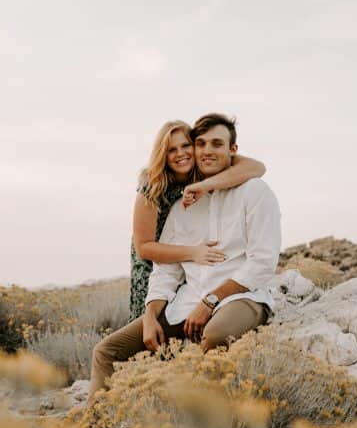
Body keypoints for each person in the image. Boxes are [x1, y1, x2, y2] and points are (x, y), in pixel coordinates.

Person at [89, 113, 281, 400]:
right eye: (201, 143)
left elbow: (262, 264)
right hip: (181, 293)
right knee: (107, 350)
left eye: (217, 144)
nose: (206, 151)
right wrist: (151, 314)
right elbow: (164, 269)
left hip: (242, 297)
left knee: (215, 335)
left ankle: (201, 419)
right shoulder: (179, 202)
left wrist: (211, 300)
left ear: (233, 150)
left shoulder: (254, 191)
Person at [129, 120, 266, 320]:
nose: (180, 153)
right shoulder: (153, 185)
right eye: (171, 149)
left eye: (185, 146)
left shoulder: (202, 171)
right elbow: (144, 247)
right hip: (158, 261)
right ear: (162, 154)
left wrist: (205, 185)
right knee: (151, 323)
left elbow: (257, 167)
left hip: (194, 255)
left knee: (189, 311)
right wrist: (192, 252)